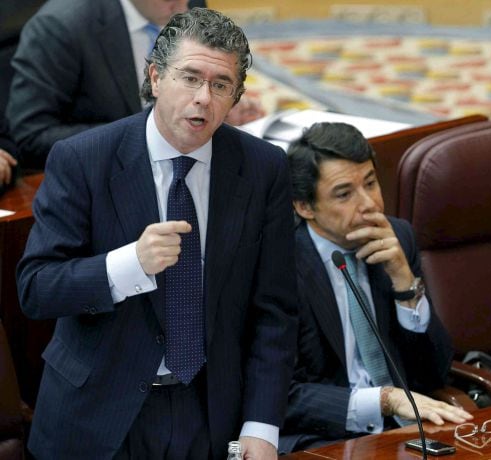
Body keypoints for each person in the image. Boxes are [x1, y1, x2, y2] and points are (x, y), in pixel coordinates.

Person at [16, 8, 296, 459]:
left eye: (220, 85)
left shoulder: (263, 168)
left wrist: (262, 426)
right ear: (155, 77)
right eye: (189, 77)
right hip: (97, 414)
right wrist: (129, 265)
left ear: (235, 97)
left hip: (208, 412)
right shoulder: (83, 159)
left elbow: (275, 312)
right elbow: (36, 288)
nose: (203, 97)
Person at [278, 122, 472, 453]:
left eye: (371, 183)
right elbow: (284, 395)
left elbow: (434, 374)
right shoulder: (279, 266)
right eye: (344, 194)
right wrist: (385, 400)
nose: (368, 204)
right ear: (304, 207)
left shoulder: (398, 238)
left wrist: (404, 283)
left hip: (407, 430)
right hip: (323, 437)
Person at [6, 0, 261, 170]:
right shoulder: (62, 27)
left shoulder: (186, 4)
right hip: (104, 173)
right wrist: (148, 134)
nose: (180, 3)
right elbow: (31, 137)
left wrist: (216, 106)